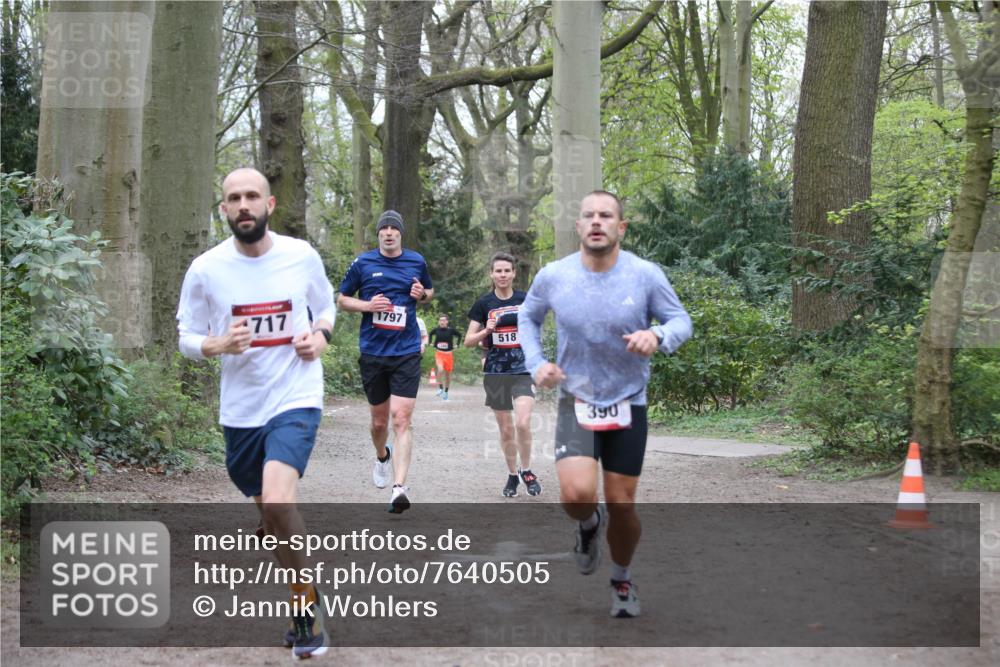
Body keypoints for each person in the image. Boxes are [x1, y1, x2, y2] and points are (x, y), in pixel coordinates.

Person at [177, 167, 334, 657]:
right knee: (269, 513)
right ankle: (297, 577)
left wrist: (321, 337)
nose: (243, 205)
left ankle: (307, 611)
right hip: (241, 409)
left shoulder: (300, 256)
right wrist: (217, 343)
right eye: (233, 198)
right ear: (223, 209)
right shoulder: (206, 269)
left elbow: (326, 309)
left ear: (270, 204)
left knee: (279, 502)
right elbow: (185, 336)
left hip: (296, 395)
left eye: (252, 196)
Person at [518, 190, 692, 619]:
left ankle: (622, 577)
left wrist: (659, 336)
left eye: (606, 215)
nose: (597, 222)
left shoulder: (645, 275)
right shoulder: (554, 276)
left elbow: (680, 320)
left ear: (621, 227)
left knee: (623, 505)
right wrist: (536, 362)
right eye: (589, 216)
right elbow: (527, 317)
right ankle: (587, 525)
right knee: (577, 496)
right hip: (575, 398)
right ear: (578, 226)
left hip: (629, 402)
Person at [337, 210, 433, 513]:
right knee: (379, 422)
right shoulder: (363, 263)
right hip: (373, 352)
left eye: (394, 228)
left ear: (401, 234)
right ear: (378, 233)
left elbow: (428, 291)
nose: (389, 233)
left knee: (402, 419)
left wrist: (422, 294)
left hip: (406, 350)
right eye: (384, 229)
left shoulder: (416, 261)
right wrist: (367, 304)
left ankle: (399, 487)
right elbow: (342, 299)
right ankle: (381, 455)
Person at [466, 252, 541, 498]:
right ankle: (512, 474)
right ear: (492, 274)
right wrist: (485, 332)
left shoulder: (525, 299)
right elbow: (468, 341)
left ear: (513, 274)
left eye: (507, 271)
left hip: (523, 369)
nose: (502, 275)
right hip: (496, 371)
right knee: (506, 430)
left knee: (522, 422)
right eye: (498, 271)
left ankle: (527, 470)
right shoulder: (483, 304)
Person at [428, 315, 461, 400]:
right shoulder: (436, 330)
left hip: (449, 355)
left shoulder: (451, 330)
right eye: (440, 320)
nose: (441, 322)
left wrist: (457, 345)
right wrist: (430, 342)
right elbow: (430, 334)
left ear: (447, 322)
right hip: (439, 354)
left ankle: (446, 392)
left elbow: (459, 335)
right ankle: (440, 388)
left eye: (443, 320)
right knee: (440, 369)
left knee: (448, 376)